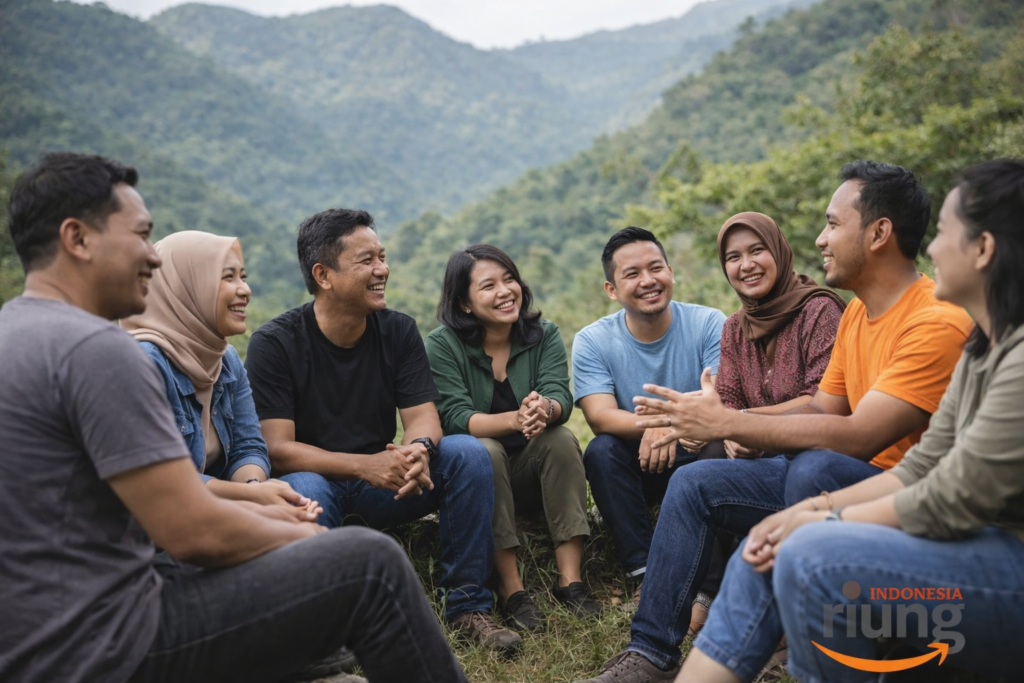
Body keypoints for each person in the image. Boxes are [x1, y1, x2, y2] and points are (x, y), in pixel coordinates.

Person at [0, 152, 470, 683]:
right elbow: (193, 531)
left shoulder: (17, 331)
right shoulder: (99, 351)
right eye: (140, 235)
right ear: (77, 238)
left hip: (39, 626)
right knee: (370, 563)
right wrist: (306, 539)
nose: (152, 258)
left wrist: (265, 507)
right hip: (99, 640)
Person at [577, 161, 973, 683]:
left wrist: (725, 423)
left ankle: (800, 626)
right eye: (732, 257)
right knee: (695, 481)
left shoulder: (932, 321)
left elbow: (858, 434)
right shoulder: (858, 313)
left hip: (899, 495)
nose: (820, 238)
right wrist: (721, 420)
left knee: (814, 471)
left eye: (833, 224)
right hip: (837, 477)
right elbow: (823, 408)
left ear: (878, 233)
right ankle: (650, 652)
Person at [676, 160, 1024, 683]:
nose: (928, 248)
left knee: (808, 552)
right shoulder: (983, 350)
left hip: (1003, 564)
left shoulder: (1004, 355)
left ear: (984, 249)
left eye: (945, 234)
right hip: (964, 545)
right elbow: (921, 466)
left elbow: (952, 496)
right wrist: (806, 512)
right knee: (767, 545)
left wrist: (821, 520)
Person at [245, 208, 520, 654]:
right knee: (305, 487)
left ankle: (469, 606)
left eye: (383, 257)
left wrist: (417, 450)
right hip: (321, 483)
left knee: (467, 453)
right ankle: (330, 629)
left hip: (386, 484)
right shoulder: (276, 343)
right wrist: (364, 465)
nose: (382, 270)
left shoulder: (397, 330)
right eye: (366, 260)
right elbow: (277, 448)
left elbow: (423, 417)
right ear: (324, 274)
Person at [679, 212, 848, 635]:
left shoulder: (819, 310)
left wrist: (739, 423)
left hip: (814, 452)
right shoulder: (736, 327)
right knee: (707, 454)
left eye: (757, 251)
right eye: (733, 257)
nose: (746, 265)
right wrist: (734, 430)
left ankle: (742, 596)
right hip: (760, 453)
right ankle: (707, 590)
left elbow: (821, 401)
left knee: (718, 442)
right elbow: (731, 400)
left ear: (780, 251)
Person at [425, 244, 598, 633]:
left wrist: (545, 409)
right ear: (464, 303)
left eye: (509, 279)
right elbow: (453, 418)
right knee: (482, 450)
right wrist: (515, 419)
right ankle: (511, 588)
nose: (505, 291)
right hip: (481, 482)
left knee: (560, 437)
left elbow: (560, 395)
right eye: (488, 286)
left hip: (532, 474)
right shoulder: (443, 345)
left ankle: (571, 581)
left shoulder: (543, 334)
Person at [120, 231, 320, 513]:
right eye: (228, 277)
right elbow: (158, 479)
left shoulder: (224, 358)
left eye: (243, 277)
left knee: (308, 488)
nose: (244, 290)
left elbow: (247, 445)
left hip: (213, 506)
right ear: (187, 287)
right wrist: (250, 498)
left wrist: (253, 488)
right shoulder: (142, 363)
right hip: (154, 522)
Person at [571, 226, 726, 589]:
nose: (648, 280)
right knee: (602, 450)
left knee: (721, 443)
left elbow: (718, 399)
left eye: (656, 268)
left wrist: (668, 423)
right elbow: (599, 416)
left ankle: (710, 577)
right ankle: (643, 571)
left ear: (671, 272)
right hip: (642, 462)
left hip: (698, 451)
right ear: (611, 289)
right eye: (632, 274)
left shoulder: (708, 322)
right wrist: (657, 423)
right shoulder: (593, 341)